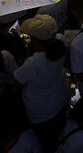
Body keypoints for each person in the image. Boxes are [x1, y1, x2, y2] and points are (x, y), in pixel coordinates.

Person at [15, 15, 70, 150]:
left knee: (47, 143)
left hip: (41, 114)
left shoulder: (32, 64)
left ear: (35, 41)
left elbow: (15, 85)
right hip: (61, 100)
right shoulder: (61, 44)